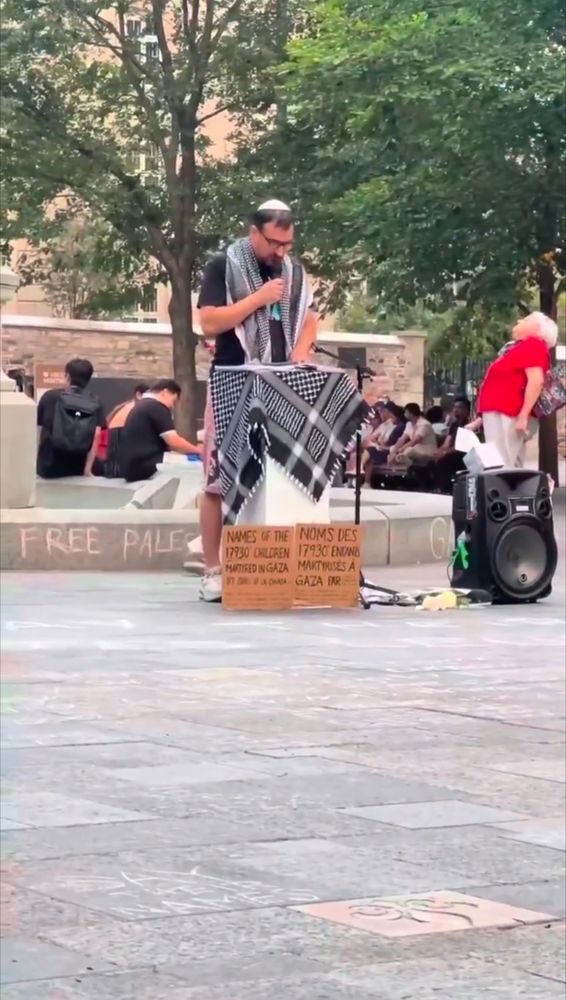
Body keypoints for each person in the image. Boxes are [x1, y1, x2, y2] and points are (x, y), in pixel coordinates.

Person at [197, 199, 318, 602]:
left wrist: (300, 353)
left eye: (287, 244)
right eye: (274, 243)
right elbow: (209, 322)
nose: (281, 252)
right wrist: (257, 299)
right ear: (254, 234)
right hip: (233, 379)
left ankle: (265, 564)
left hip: (280, 384)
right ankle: (213, 569)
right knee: (218, 477)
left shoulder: (293, 274)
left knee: (276, 474)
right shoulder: (224, 265)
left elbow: (311, 318)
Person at [472, 312, 557, 467]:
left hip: (510, 412)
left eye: (526, 319)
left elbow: (536, 381)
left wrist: (523, 416)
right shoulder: (519, 347)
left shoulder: (534, 345)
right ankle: (512, 491)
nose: (519, 320)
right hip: (502, 411)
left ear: (537, 328)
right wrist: (479, 420)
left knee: (500, 463)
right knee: (507, 462)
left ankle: (504, 491)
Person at [119, 379, 201, 482]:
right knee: (196, 467)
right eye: (173, 401)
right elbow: (174, 442)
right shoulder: (157, 407)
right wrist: (199, 451)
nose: (172, 406)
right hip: (145, 465)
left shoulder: (142, 405)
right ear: (165, 392)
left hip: (132, 466)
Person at [37, 358, 105, 479]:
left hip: (49, 467)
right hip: (78, 467)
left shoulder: (49, 397)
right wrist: (87, 469)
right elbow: (96, 436)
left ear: (67, 376)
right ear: (89, 378)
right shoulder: (95, 401)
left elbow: (37, 431)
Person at [95, 382, 149, 477]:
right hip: (117, 436)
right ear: (139, 395)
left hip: (113, 438)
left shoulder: (126, 405)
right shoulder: (135, 407)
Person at [431, 396, 471, 493]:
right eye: (455, 407)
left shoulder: (470, 424)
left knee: (443, 462)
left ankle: (447, 490)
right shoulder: (454, 425)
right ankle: (435, 487)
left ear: (467, 410)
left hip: (465, 455)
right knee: (432, 461)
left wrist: (445, 453)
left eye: (460, 407)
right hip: (453, 453)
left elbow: (462, 446)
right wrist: (438, 452)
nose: (456, 410)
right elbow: (447, 442)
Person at [364, 402, 406, 483]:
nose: (380, 414)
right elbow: (369, 438)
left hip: (387, 452)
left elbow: (389, 443)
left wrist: (378, 444)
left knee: (370, 452)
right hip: (378, 449)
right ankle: (356, 478)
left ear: (389, 412)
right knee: (361, 451)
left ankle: (361, 474)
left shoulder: (399, 426)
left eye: (382, 411)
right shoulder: (385, 424)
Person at [388, 402, 439, 467]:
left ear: (411, 413)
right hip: (415, 448)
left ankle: (410, 466)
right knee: (392, 448)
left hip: (426, 449)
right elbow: (402, 439)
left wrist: (400, 450)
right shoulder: (409, 424)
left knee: (409, 450)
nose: (404, 414)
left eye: (405, 412)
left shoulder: (425, 424)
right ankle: (401, 462)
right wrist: (394, 450)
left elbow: (415, 441)